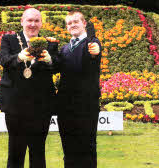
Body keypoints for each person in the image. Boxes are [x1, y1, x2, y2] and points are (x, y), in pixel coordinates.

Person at [0, 8, 58, 168]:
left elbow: (59, 66)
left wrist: (51, 61)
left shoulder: (49, 43)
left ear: (41, 23)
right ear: (22, 21)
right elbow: (2, 60)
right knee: (16, 152)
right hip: (15, 106)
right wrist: (18, 57)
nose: (32, 24)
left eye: (36, 21)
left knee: (38, 152)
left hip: (41, 107)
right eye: (29, 20)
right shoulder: (9, 39)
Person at [53, 11, 102, 168]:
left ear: (84, 23)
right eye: (69, 23)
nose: (72, 25)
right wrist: (50, 52)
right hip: (65, 106)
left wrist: (96, 49)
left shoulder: (91, 42)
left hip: (86, 105)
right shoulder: (65, 49)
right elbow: (54, 67)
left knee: (86, 146)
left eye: (76, 21)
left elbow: (94, 50)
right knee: (68, 146)